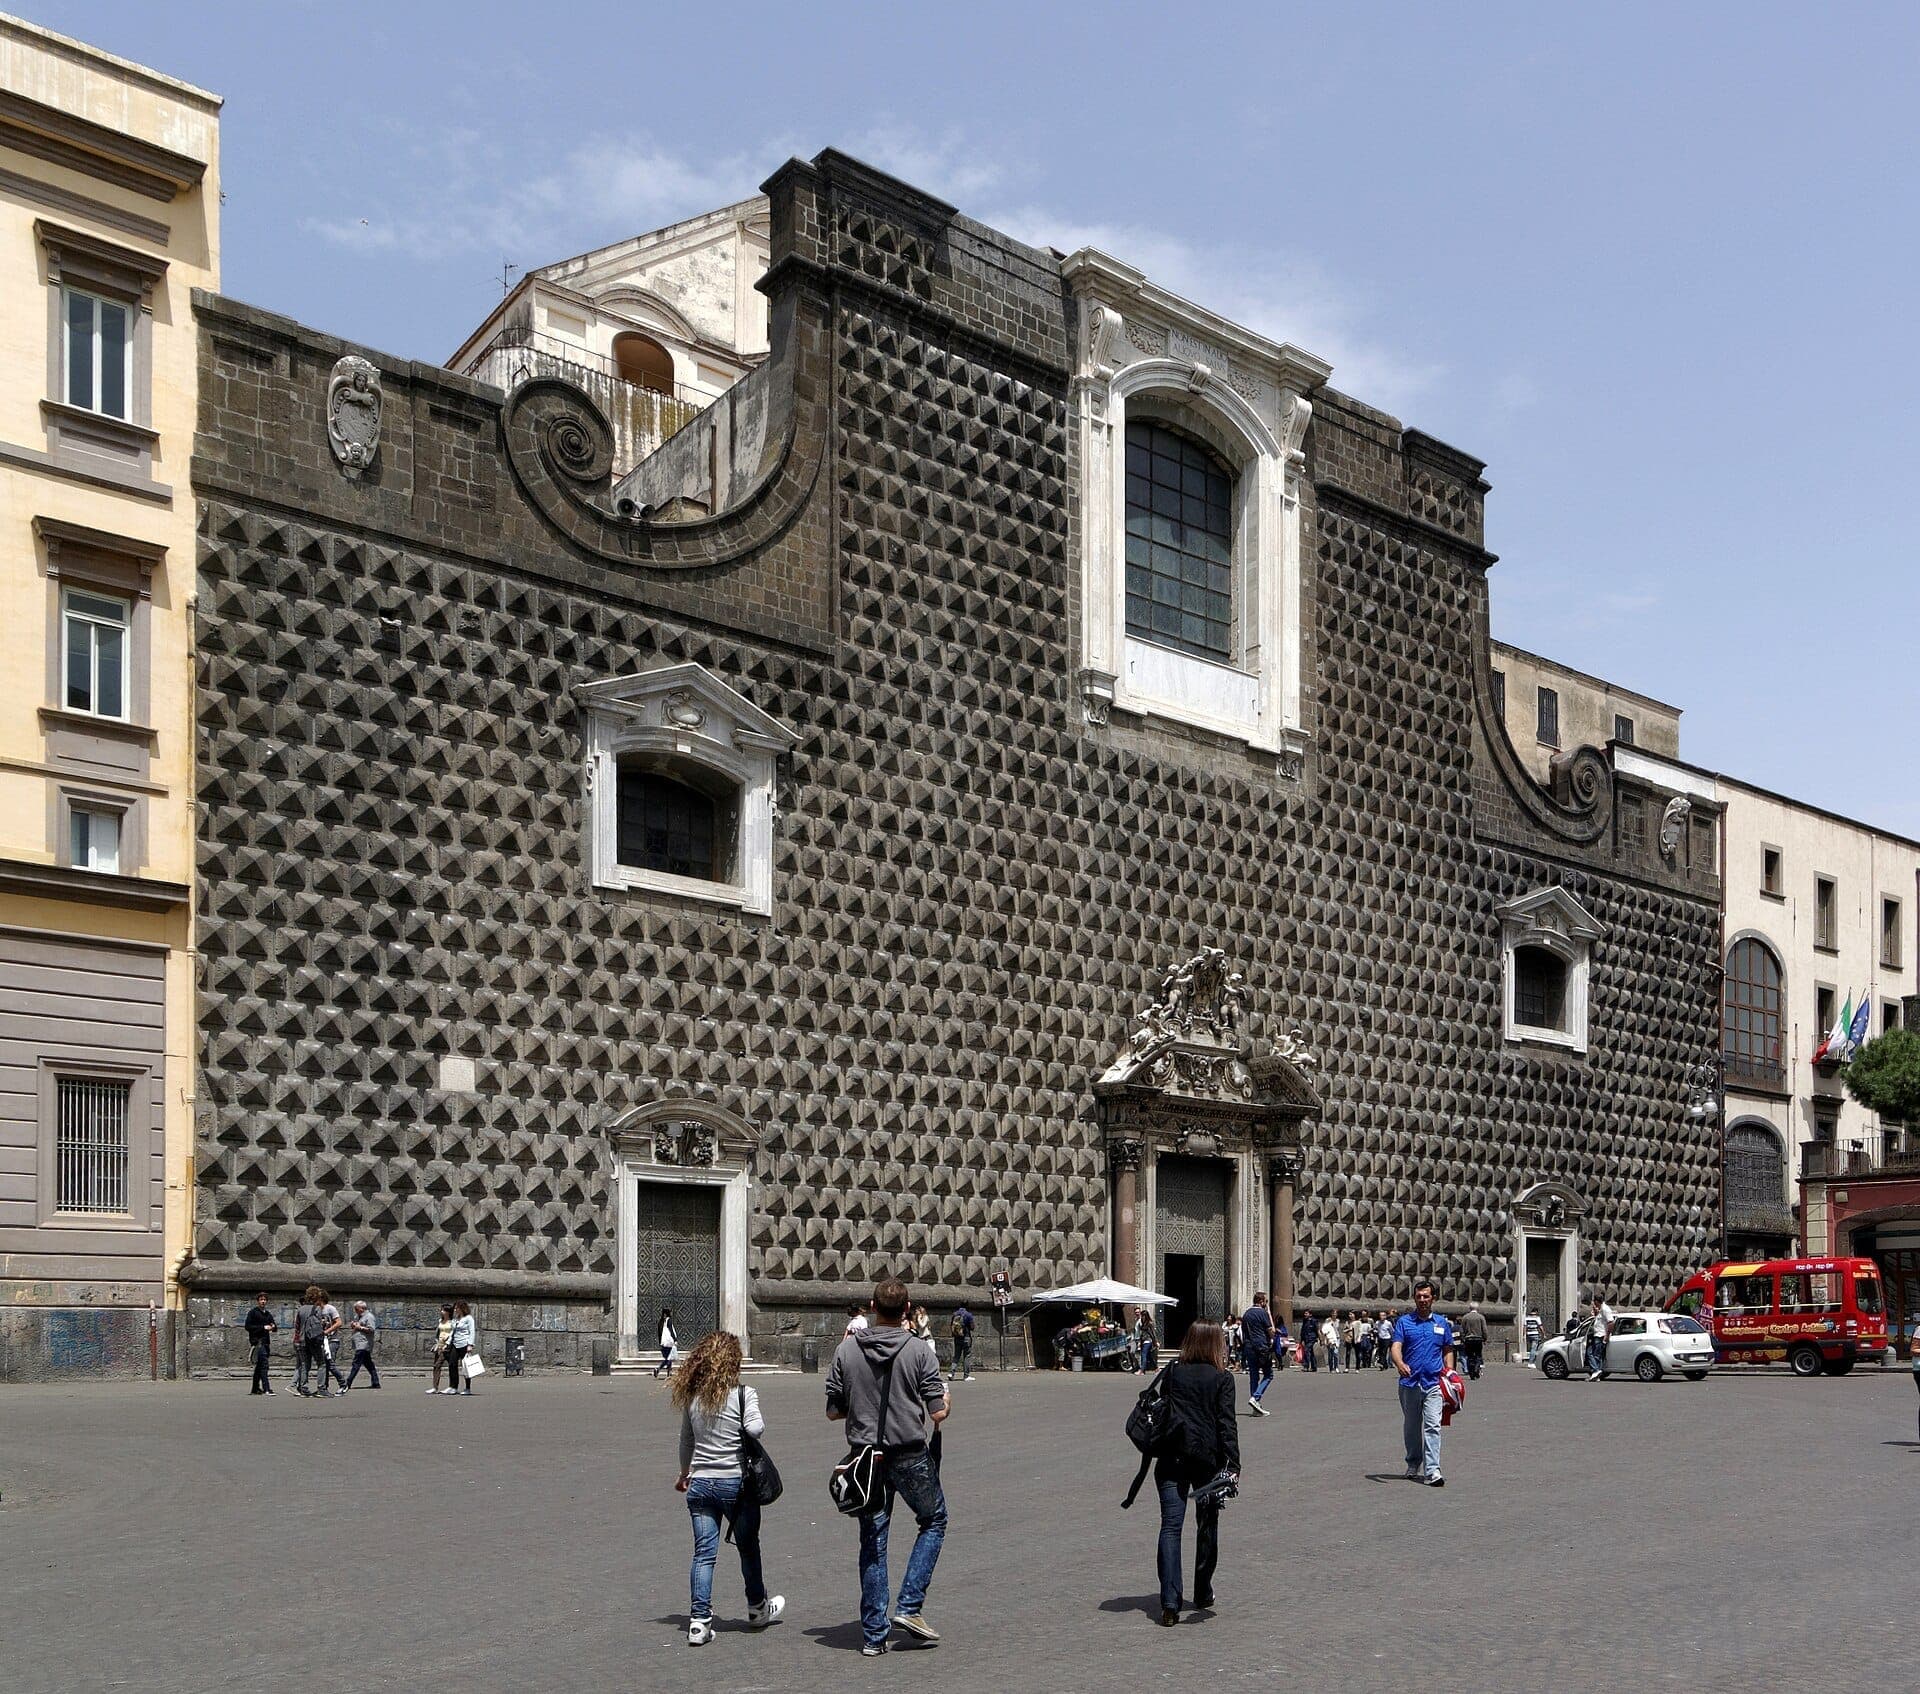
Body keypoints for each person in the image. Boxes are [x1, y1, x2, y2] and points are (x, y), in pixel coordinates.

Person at [825, 1276, 950, 1657]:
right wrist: (945, 1399)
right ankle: (909, 1606)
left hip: (865, 1459)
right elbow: (938, 1411)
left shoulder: (846, 1351)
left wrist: (860, 1404)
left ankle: (874, 1637)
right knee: (934, 1520)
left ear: (872, 1307)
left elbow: (833, 1411)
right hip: (909, 1453)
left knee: (873, 1542)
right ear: (908, 1310)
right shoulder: (920, 1352)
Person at [674, 1330, 785, 1645]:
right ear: (733, 1362)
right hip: (735, 1485)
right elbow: (756, 1429)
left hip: (700, 1484)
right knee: (748, 1547)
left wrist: (685, 1473)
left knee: (703, 1554)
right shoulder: (744, 1394)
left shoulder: (692, 1396)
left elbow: (686, 1440)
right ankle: (757, 1608)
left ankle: (698, 1622)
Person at [1149, 1320, 1240, 1627]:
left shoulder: (1173, 1372)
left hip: (1172, 1459)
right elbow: (1227, 1425)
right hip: (1207, 1464)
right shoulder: (1222, 1378)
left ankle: (1170, 1603)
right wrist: (1234, 1465)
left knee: (1170, 1528)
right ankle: (1202, 1591)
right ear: (1217, 1344)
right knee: (1207, 1527)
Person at [1391, 1277, 1456, 1487]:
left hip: (1434, 1383)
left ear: (1433, 1298)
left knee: (1432, 1426)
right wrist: (1399, 1363)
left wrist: (1450, 1372)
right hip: (1409, 1384)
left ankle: (1433, 1470)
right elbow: (1396, 1346)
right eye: (1418, 1296)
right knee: (1411, 1426)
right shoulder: (1404, 1322)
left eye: (1426, 1296)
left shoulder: (1441, 1323)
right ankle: (1413, 1462)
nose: (1422, 1300)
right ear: (1414, 1298)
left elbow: (1447, 1349)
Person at [293, 1286, 343, 1398]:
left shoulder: (300, 1309)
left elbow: (297, 1326)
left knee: (305, 1364)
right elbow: (320, 1326)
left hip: (302, 1340)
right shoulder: (317, 1309)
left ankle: (303, 1389)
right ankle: (321, 1389)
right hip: (314, 1340)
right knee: (321, 1363)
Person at [1241, 1292, 1276, 1414]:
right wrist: (1269, 1313)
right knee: (1268, 1375)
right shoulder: (1262, 1313)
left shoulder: (1246, 1314)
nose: (1266, 1304)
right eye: (1265, 1301)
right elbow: (1272, 1332)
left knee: (1254, 1376)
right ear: (1261, 1301)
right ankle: (1255, 1398)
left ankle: (1256, 1409)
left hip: (1248, 1347)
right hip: (1261, 1347)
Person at [344, 1301, 381, 1390]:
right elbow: (357, 1325)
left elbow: (371, 1329)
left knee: (356, 1364)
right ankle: (376, 1382)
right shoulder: (358, 1317)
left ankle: (347, 1383)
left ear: (362, 1308)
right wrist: (353, 1325)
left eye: (357, 1309)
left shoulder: (369, 1317)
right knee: (369, 1364)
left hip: (364, 1344)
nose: (355, 1311)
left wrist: (359, 1327)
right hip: (359, 1343)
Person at [244, 1293, 277, 1395]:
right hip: (258, 1342)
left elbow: (274, 1326)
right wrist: (263, 1327)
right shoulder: (253, 1313)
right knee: (264, 1365)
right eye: (261, 1299)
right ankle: (266, 1388)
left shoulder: (267, 1314)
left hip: (266, 1342)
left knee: (259, 1367)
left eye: (265, 1300)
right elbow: (248, 1326)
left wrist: (273, 1326)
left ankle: (255, 1389)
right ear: (258, 1301)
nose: (263, 1301)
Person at [448, 1301, 478, 1395]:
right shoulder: (455, 1319)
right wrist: (448, 1342)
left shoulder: (468, 1318)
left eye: (457, 1308)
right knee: (452, 1364)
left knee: (466, 1366)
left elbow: (472, 1331)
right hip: (455, 1344)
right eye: (455, 1308)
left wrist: (470, 1344)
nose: (455, 1310)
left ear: (462, 1308)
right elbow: (452, 1332)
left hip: (464, 1344)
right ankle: (453, 1387)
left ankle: (467, 1388)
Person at [1456, 1300, 1488, 1381]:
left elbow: (1462, 1329)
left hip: (1468, 1339)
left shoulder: (1465, 1317)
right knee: (1478, 1355)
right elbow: (1484, 1329)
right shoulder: (1481, 1317)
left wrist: (1462, 1338)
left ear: (1470, 1308)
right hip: (1478, 1339)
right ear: (1477, 1308)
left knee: (1469, 1356)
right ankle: (1477, 1368)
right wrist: (1485, 1338)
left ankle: (1471, 1372)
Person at [1586, 1294, 1614, 1381]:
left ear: (1597, 1301)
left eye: (1594, 1302)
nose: (1594, 1303)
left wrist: (1607, 1335)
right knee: (1598, 1355)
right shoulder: (1601, 1309)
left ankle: (1596, 1370)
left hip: (1600, 1335)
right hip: (1598, 1335)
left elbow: (1611, 1323)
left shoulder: (1605, 1309)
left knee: (1591, 1353)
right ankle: (1597, 1375)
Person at [430, 1303, 455, 1394]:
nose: (441, 1312)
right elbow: (437, 1334)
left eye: (443, 1310)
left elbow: (453, 1334)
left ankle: (452, 1386)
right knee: (436, 1366)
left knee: (452, 1367)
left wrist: (447, 1343)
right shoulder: (440, 1321)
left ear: (448, 1312)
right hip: (440, 1346)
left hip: (448, 1347)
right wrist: (437, 1343)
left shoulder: (452, 1322)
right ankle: (435, 1387)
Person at [949, 1304, 975, 1381]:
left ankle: (951, 1373)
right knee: (966, 1356)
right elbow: (972, 1327)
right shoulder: (968, 1314)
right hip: (966, 1337)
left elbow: (951, 1325)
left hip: (957, 1338)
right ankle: (966, 1376)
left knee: (956, 1356)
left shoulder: (955, 1314)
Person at [654, 1308, 679, 1378]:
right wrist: (675, 1339)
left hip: (664, 1342)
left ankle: (665, 1372)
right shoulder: (669, 1321)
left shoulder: (662, 1322)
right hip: (669, 1342)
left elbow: (659, 1333)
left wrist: (660, 1342)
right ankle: (660, 1369)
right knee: (669, 1358)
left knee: (668, 1358)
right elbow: (671, 1330)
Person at [1133, 1308, 1157, 1374]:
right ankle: (1156, 1368)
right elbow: (1141, 1334)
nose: (1142, 1317)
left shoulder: (1149, 1323)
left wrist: (1155, 1342)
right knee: (1149, 1356)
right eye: (1142, 1315)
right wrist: (1140, 1342)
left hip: (1148, 1341)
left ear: (1146, 1316)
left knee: (1143, 1355)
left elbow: (1153, 1333)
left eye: (1143, 1315)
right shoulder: (1143, 1323)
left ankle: (1142, 1371)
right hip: (1143, 1341)